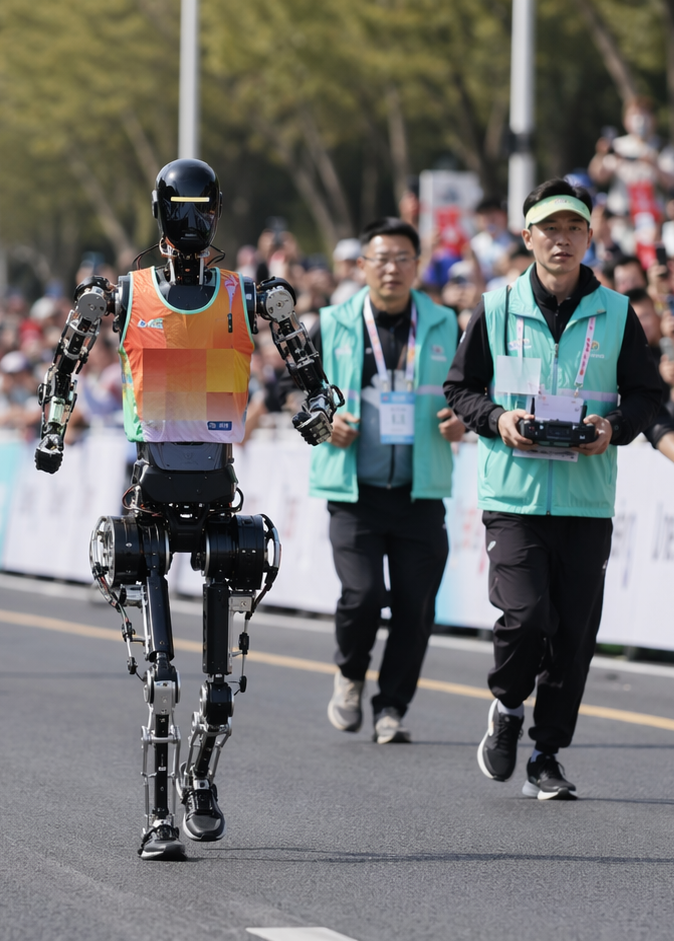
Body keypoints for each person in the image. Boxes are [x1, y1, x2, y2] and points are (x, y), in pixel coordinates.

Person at [30, 158, 337, 861]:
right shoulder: (122, 295)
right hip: (151, 484)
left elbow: (307, 372)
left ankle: (199, 778)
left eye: (203, 210)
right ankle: (157, 816)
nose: (192, 223)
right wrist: (53, 425)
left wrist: (316, 406)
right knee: (163, 676)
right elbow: (66, 361)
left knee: (221, 686)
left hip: (217, 483)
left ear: (217, 213)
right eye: (182, 209)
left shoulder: (250, 295)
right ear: (163, 213)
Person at [443, 178, 670, 800]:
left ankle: (546, 755)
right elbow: (460, 389)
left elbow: (648, 397)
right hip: (513, 495)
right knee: (526, 615)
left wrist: (612, 427)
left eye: (573, 229)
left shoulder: (619, 314)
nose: (561, 240)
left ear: (590, 237)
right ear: (528, 237)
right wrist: (500, 420)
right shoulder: (494, 308)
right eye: (549, 229)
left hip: (585, 496)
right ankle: (508, 705)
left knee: (573, 637)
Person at [310, 217, 464, 745]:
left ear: (417, 266)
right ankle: (350, 675)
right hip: (355, 492)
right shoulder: (330, 323)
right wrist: (323, 422)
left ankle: (392, 706)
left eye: (403, 258)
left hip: (422, 492)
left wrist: (464, 417)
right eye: (382, 258)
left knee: (417, 605)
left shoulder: (447, 324)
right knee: (363, 593)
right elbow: (293, 393)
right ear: (362, 267)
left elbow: (473, 391)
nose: (392, 268)